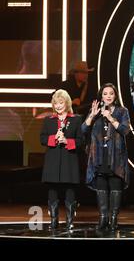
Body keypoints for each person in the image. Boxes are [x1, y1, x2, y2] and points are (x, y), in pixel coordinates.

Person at [82, 83, 130, 231]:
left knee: (115, 185)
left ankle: (114, 219)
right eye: (105, 93)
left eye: (111, 93)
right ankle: (103, 218)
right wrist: (92, 115)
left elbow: (125, 130)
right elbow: (84, 129)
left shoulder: (122, 111)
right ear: (101, 96)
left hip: (115, 156)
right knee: (101, 186)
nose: (108, 96)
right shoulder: (95, 112)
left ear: (115, 96)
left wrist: (110, 117)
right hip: (98, 156)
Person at [40, 89, 82, 230]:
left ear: (67, 103)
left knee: (70, 190)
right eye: (55, 103)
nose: (58, 106)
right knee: (52, 190)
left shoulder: (76, 119)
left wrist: (67, 141)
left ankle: (70, 221)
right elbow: (42, 138)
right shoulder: (48, 120)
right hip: (53, 160)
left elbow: (81, 140)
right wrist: (54, 139)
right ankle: (54, 221)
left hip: (69, 159)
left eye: (61, 102)